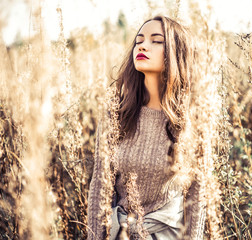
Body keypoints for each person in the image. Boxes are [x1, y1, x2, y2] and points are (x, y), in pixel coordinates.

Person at [87, 15, 205, 240]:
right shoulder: (116, 114)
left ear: (176, 52)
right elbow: (99, 188)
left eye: (156, 40)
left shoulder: (192, 121)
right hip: (120, 234)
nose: (142, 45)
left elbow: (196, 198)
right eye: (139, 40)